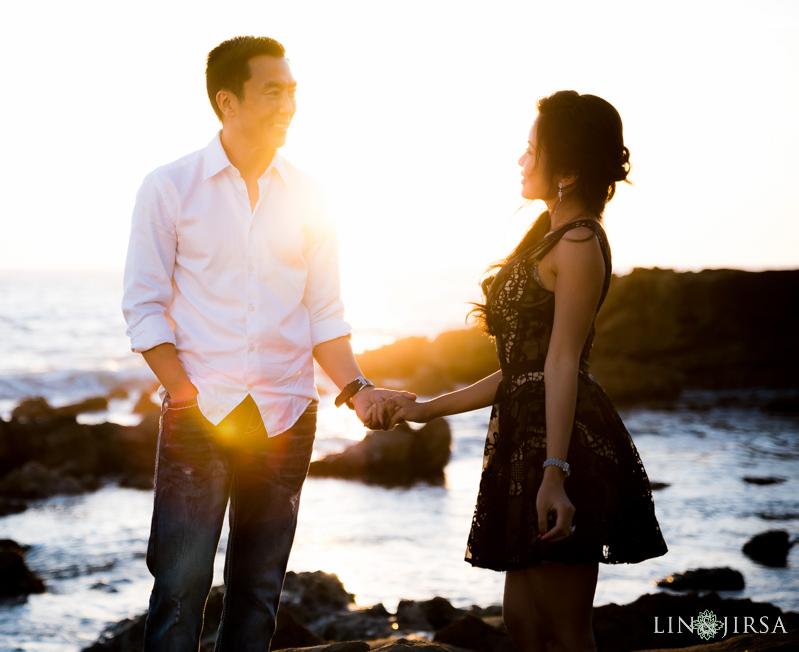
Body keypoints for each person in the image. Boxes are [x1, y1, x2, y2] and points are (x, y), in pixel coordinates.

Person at [122, 36, 412, 651]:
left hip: (288, 416)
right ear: (228, 102)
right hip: (200, 417)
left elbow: (324, 312)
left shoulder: (312, 195)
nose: (289, 104)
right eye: (273, 91)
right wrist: (183, 391)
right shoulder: (169, 187)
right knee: (179, 588)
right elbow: (143, 308)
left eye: (293, 91)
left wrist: (355, 389)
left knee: (257, 592)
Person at [384, 91, 667, 652]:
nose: (521, 160)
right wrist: (424, 408)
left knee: (563, 632)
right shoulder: (551, 234)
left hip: (560, 450)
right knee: (524, 626)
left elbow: (562, 363)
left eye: (530, 150)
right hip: (525, 445)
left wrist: (555, 474)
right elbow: (522, 371)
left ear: (565, 167)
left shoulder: (581, 242)